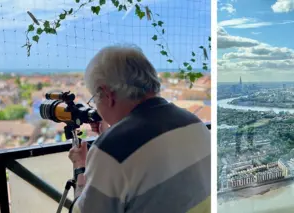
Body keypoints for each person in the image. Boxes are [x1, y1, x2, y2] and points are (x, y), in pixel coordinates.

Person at [68, 45, 211, 213]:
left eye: (94, 98)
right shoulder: (194, 123)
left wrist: (81, 167)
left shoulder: (111, 150)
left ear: (107, 94)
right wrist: (112, 135)